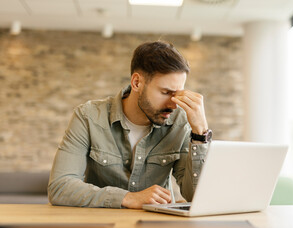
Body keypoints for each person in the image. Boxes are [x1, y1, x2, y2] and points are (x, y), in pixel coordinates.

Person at [48, 40, 212, 209]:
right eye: (166, 92)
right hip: (102, 227)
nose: (174, 104)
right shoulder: (88, 117)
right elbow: (60, 187)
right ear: (136, 83)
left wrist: (200, 134)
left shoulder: (179, 124)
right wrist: (127, 198)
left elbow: (196, 196)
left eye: (178, 93)